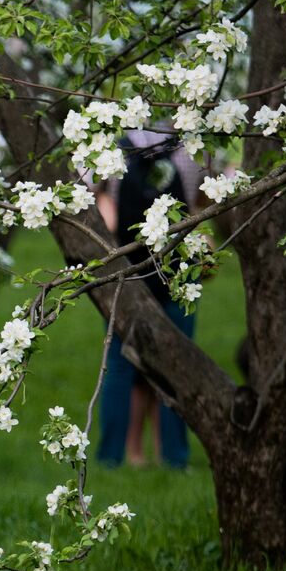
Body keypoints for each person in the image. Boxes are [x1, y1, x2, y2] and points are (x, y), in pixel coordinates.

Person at [95, 130, 201, 469]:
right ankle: (174, 458)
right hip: (176, 271)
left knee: (118, 370)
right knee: (177, 368)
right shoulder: (187, 148)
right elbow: (199, 202)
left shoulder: (112, 149)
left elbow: (101, 210)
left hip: (128, 272)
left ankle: (110, 458)